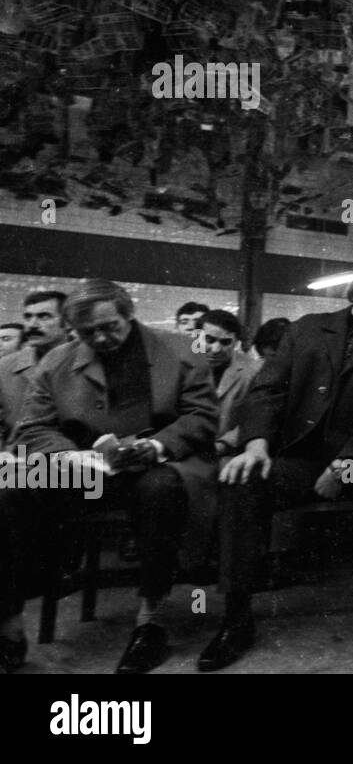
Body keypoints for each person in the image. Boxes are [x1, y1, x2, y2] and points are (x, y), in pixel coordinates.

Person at [199, 254, 353, 671]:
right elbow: (267, 390)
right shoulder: (307, 328)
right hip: (302, 459)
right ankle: (236, 619)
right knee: (242, 478)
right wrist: (255, 446)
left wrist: (343, 467)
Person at [1, 279, 218, 674]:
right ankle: (8, 620)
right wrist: (68, 455)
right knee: (11, 487)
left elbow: (202, 417)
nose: (101, 339)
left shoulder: (183, 350)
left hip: (157, 465)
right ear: (72, 330)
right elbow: (33, 427)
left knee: (160, 491)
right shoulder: (57, 361)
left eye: (110, 327)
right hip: (84, 470)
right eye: (88, 333)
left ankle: (149, 621)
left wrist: (155, 447)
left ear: (128, 314)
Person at [0, 291, 67, 446]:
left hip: (78, 456)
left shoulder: (84, 362)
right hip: (21, 456)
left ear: (67, 322)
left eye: (44, 317)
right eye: (28, 317)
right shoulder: (5, 367)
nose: (32, 325)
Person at [198, 311, 260, 455]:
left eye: (225, 342)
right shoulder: (181, 366)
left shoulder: (253, 371)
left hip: (227, 453)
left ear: (236, 342)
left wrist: (224, 444)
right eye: (209, 339)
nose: (216, 349)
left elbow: (256, 419)